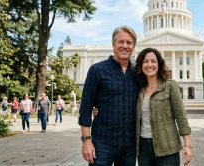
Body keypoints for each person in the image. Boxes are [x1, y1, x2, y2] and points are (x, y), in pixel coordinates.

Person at [79, 26, 138, 165]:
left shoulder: (137, 73)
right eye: (121, 42)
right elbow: (86, 107)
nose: (125, 46)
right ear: (113, 44)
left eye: (129, 43)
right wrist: (86, 140)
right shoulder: (97, 70)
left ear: (133, 47)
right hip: (102, 142)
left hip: (129, 144)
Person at [134, 48, 192, 166]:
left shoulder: (170, 86)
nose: (149, 65)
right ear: (141, 65)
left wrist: (187, 145)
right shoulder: (138, 88)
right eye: (145, 61)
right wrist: (98, 110)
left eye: (153, 61)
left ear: (159, 64)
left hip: (167, 147)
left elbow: (181, 116)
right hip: (143, 148)